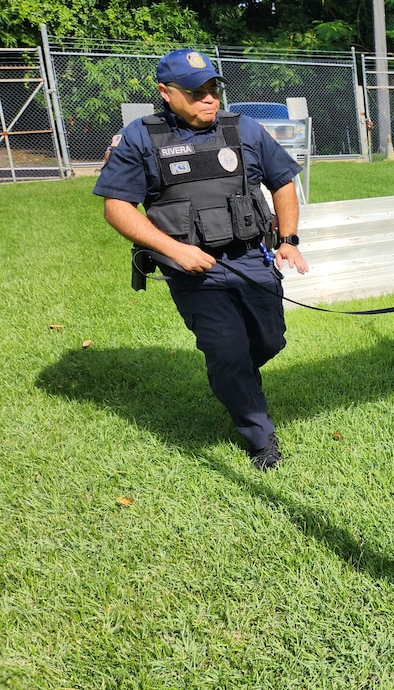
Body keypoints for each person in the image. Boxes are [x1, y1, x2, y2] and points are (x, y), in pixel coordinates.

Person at [93, 48, 309, 470]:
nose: (208, 98)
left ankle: (236, 381)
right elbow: (116, 207)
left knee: (269, 341)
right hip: (193, 272)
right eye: (196, 92)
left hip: (250, 258)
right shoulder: (141, 137)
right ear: (166, 93)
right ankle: (259, 437)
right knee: (227, 352)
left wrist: (289, 238)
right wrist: (174, 250)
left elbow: (283, 181)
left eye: (212, 88)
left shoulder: (243, 129)